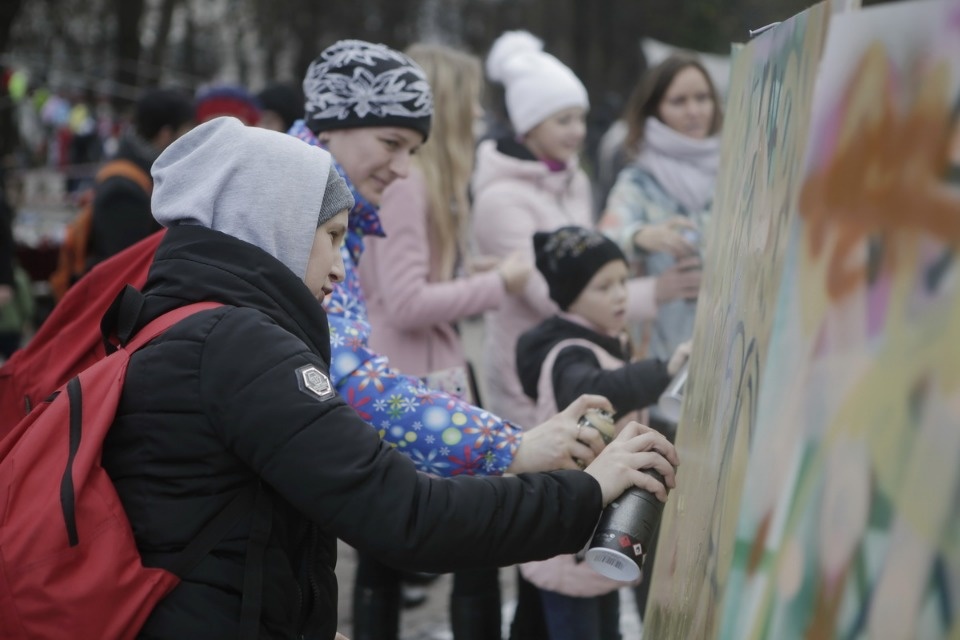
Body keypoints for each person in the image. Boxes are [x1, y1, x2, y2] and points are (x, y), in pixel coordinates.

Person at [99, 114, 680, 640]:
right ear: (271, 223)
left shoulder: (191, 326)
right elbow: (410, 516)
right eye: (330, 238)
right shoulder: (240, 348)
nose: (338, 268)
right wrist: (589, 491)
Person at [289, 39, 611, 639]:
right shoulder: (296, 214)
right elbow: (352, 375)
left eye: (412, 149)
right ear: (333, 125)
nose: (403, 167)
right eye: (391, 143)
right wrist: (510, 446)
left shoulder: (316, 200)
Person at [356, 43, 531, 640]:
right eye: (473, 100)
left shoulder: (417, 181)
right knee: (469, 547)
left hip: (421, 372)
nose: (481, 113)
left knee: (389, 557)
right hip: (416, 379)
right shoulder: (413, 185)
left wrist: (468, 275)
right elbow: (406, 303)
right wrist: (497, 285)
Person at [515, 225, 691, 639]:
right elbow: (597, 392)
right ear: (571, 295)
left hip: (603, 535)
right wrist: (662, 371)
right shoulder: (569, 353)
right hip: (568, 542)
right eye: (603, 286)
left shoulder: (609, 338)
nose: (620, 295)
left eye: (624, 281)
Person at [599, 53, 722, 363]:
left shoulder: (737, 170)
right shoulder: (639, 180)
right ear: (655, 108)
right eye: (678, 101)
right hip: (660, 362)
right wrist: (640, 236)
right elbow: (603, 240)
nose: (694, 111)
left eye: (702, 98)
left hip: (727, 355)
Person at [87, 87, 194, 267]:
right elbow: (123, 268)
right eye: (187, 131)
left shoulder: (143, 170)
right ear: (165, 135)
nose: (192, 139)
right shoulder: (123, 189)